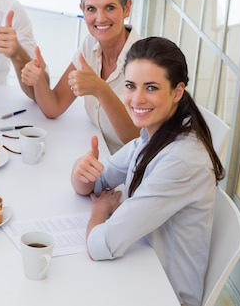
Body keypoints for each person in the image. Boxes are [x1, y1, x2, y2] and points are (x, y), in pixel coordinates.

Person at [71, 36, 225, 306]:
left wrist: (101, 210)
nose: (137, 99)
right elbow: (96, 181)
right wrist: (81, 171)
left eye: (151, 88)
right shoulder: (153, 133)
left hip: (164, 293)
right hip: (141, 267)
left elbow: (100, 245)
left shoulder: (180, 161)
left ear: (177, 92)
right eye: (130, 86)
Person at [21, 0, 141, 153]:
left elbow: (135, 138)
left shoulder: (144, 60)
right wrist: (38, 80)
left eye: (110, 7)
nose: (100, 18)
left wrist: (101, 89)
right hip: (98, 155)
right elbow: (55, 106)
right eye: (91, 9)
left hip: (134, 168)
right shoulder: (90, 44)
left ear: (126, 8)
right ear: (82, 11)